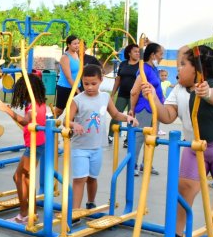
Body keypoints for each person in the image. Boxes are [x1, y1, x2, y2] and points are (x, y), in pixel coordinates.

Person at [140, 45, 213, 237]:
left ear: (199, 70)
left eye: (183, 65)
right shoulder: (178, 89)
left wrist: (206, 93)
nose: (178, 69)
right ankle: (175, 234)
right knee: (184, 188)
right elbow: (166, 116)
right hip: (194, 148)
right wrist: (153, 97)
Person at [68, 64, 138, 211]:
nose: (90, 87)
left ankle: (90, 202)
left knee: (92, 177)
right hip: (80, 147)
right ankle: (74, 211)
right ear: (82, 81)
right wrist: (74, 124)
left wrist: (128, 118)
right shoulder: (77, 99)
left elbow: (116, 114)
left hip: (97, 146)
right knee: (80, 178)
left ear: (101, 80)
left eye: (93, 83)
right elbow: (66, 120)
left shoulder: (105, 97)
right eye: (86, 84)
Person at [0, 73, 48, 224]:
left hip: (36, 145)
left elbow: (25, 121)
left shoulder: (34, 105)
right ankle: (31, 212)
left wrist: (6, 109)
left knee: (19, 177)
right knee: (26, 178)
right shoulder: (38, 102)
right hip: (36, 144)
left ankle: (24, 214)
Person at [129, 43, 165, 176]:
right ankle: (133, 165)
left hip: (155, 109)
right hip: (144, 108)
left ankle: (146, 164)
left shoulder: (154, 69)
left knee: (152, 138)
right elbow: (134, 91)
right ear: (153, 55)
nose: (162, 57)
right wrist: (132, 110)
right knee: (139, 138)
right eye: (160, 54)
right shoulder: (143, 70)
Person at [109, 43, 140, 146]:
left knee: (131, 117)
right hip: (122, 94)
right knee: (115, 115)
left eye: (138, 52)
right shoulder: (123, 64)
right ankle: (110, 135)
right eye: (135, 51)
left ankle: (128, 139)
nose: (137, 53)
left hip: (134, 96)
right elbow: (118, 80)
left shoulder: (141, 65)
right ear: (129, 53)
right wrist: (113, 94)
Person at [55, 35, 81, 117]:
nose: (77, 45)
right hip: (65, 87)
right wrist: (77, 90)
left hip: (77, 86)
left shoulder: (77, 55)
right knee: (59, 110)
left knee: (74, 110)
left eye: (78, 43)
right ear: (69, 45)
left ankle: (71, 128)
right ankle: (48, 126)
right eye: (74, 44)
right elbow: (68, 77)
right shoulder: (65, 57)